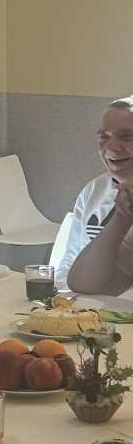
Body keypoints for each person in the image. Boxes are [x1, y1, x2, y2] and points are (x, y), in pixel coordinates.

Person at [63, 97, 133, 298]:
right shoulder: (95, 190)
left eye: (127, 137)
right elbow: (84, 284)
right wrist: (122, 219)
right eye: (104, 137)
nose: (111, 147)